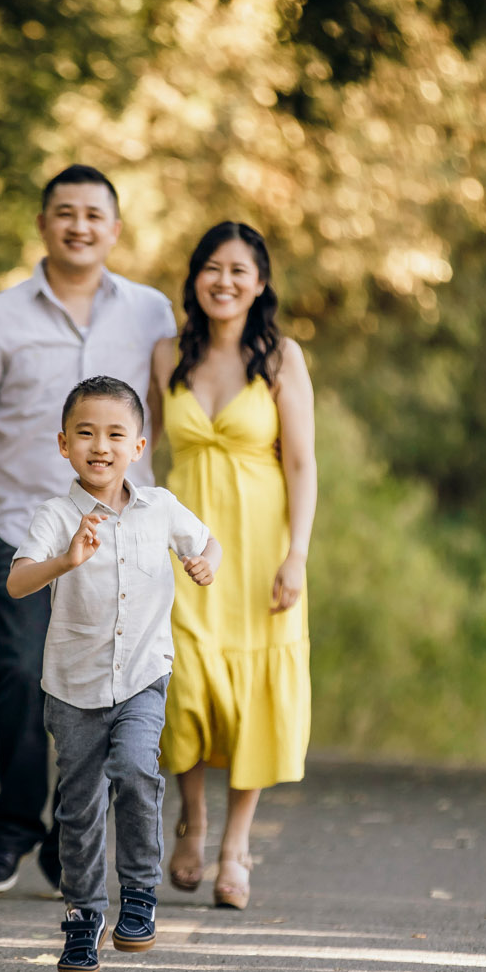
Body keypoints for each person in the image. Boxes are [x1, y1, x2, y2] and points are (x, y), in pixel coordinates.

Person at [0, 166, 180, 895]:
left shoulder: (150, 313)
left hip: (120, 540)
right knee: (19, 670)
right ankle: (13, 826)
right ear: (44, 223)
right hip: (26, 527)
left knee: (105, 687)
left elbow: (169, 415)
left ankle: (69, 838)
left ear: (115, 227)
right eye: (65, 213)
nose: (80, 226)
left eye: (94, 214)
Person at [7, 377, 220, 972]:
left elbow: (207, 543)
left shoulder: (161, 507)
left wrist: (205, 563)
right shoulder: (55, 515)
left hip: (143, 675)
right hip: (72, 687)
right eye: (86, 433)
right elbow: (18, 582)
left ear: (139, 446)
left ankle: (141, 894)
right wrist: (65, 561)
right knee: (78, 806)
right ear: (63, 445)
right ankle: (83, 918)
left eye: (114, 434)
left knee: (133, 768)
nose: (100, 445)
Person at [149, 221, 316, 910]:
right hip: (183, 548)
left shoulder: (280, 358)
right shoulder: (166, 354)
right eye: (211, 268)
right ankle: (192, 819)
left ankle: (236, 845)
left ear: (260, 282)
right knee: (182, 685)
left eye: (238, 270)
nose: (223, 281)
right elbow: (138, 446)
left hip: (259, 551)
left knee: (252, 694)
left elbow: (302, 462)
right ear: (194, 278)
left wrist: (297, 553)